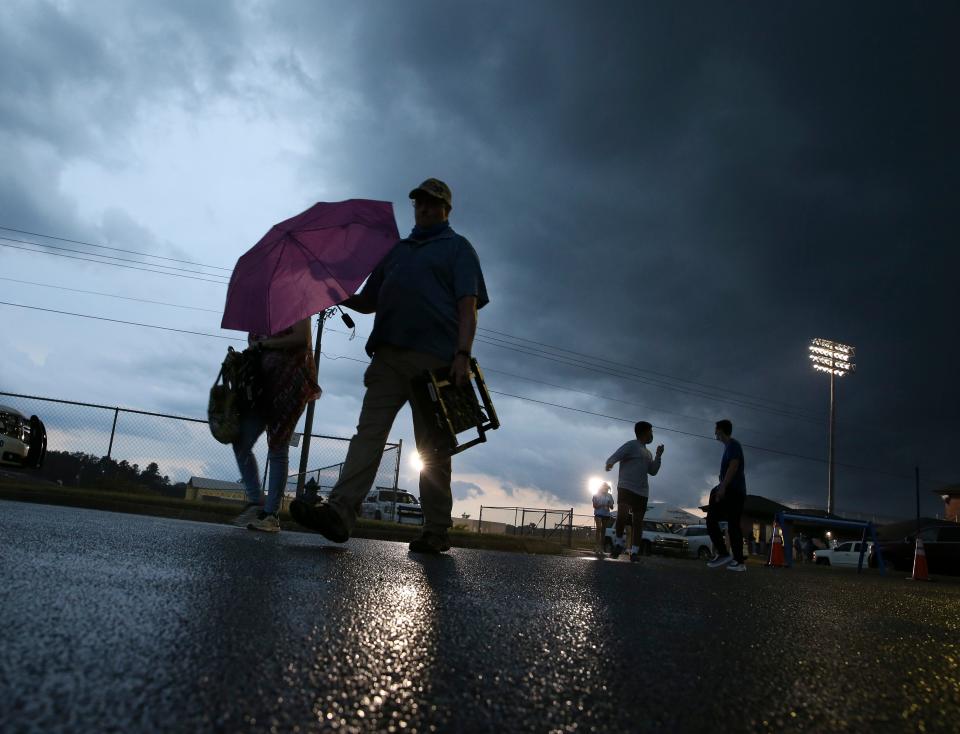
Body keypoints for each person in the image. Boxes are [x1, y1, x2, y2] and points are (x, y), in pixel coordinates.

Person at [290, 178, 488, 553]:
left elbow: (468, 306)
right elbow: (369, 301)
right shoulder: (396, 252)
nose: (425, 209)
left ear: (447, 209)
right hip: (387, 358)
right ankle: (340, 512)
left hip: (435, 364)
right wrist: (334, 292)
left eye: (433, 204)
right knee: (368, 435)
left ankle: (436, 529)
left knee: (432, 446)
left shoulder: (458, 249)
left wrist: (462, 355)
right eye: (419, 204)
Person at [232, 317, 321, 532]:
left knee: (278, 445)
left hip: (290, 382)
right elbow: (253, 344)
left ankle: (271, 514)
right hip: (261, 386)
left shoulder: (298, 302)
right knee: (240, 441)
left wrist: (265, 344)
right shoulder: (261, 310)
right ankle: (256, 501)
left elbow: (302, 339)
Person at [605, 421, 663, 562]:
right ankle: (618, 543)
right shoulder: (631, 445)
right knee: (622, 514)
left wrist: (658, 456)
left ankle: (634, 552)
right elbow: (617, 455)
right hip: (626, 486)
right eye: (651, 432)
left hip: (642, 491)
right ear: (644, 432)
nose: (652, 435)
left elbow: (653, 471)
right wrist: (610, 462)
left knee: (638, 522)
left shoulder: (648, 453)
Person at [706, 419, 747, 572]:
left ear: (721, 430)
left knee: (712, 521)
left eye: (716, 429)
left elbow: (734, 465)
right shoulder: (729, 447)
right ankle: (738, 561)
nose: (714, 433)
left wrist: (722, 487)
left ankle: (724, 554)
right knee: (733, 525)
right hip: (735, 490)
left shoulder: (733, 445)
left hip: (733, 491)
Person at [592, 482, 615, 557]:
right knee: (599, 528)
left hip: (606, 514)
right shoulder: (596, 495)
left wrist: (609, 504)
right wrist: (602, 505)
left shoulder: (609, 496)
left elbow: (612, 507)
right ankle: (596, 546)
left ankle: (601, 547)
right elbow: (594, 506)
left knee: (603, 530)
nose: (606, 489)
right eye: (604, 488)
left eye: (607, 488)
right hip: (598, 513)